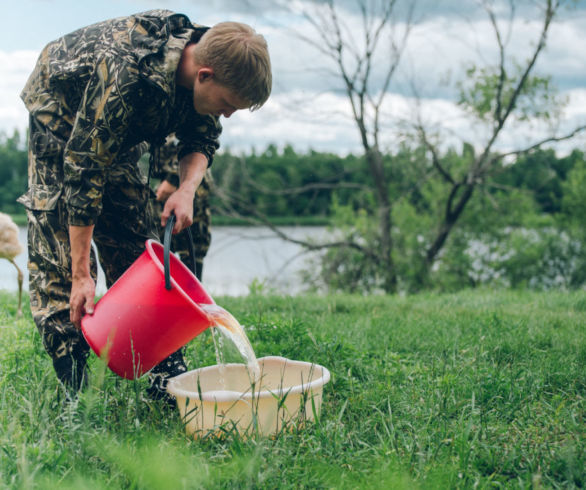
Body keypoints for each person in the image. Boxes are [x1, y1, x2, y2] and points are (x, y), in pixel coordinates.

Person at [17, 9, 271, 400]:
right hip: (63, 118)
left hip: (118, 129)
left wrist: (186, 188)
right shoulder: (126, 72)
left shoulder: (209, 65)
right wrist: (82, 273)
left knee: (138, 240)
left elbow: (202, 139)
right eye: (228, 104)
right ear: (205, 75)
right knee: (61, 258)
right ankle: (77, 389)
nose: (228, 113)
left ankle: (166, 377)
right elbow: (84, 171)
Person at [152, 134, 212, 281]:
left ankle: (193, 298)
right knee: (164, 244)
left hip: (190, 186)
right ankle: (168, 297)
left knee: (192, 246)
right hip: (165, 184)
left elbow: (195, 144)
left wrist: (173, 178)